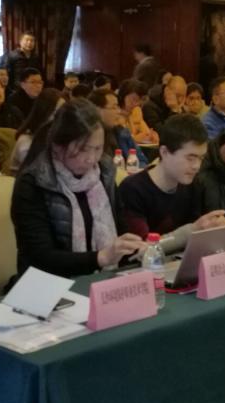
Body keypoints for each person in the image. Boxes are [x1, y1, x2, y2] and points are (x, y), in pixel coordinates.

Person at [11, 99, 145, 277]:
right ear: (58, 147)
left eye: (98, 149)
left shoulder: (104, 173)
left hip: (99, 279)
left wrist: (133, 248)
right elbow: (40, 257)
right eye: (82, 150)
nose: (91, 159)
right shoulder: (33, 182)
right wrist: (100, 258)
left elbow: (121, 228)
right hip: (47, 283)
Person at [118, 114, 225, 250]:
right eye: (190, 158)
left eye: (201, 158)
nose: (197, 166)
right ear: (164, 152)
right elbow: (139, 249)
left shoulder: (193, 184)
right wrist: (192, 230)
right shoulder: (133, 189)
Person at [9, 88, 62, 175]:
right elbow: (41, 173)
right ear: (44, 112)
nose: (63, 117)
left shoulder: (57, 138)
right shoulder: (26, 143)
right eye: (57, 112)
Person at [90, 87, 148, 167]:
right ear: (98, 110)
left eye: (118, 107)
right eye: (114, 107)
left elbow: (142, 160)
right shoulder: (91, 139)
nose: (119, 111)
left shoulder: (123, 132)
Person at [118, 79, 158, 147]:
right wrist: (135, 139)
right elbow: (118, 139)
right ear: (123, 96)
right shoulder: (114, 113)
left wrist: (151, 136)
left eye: (139, 100)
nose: (136, 104)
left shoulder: (136, 111)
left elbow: (146, 132)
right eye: (133, 99)